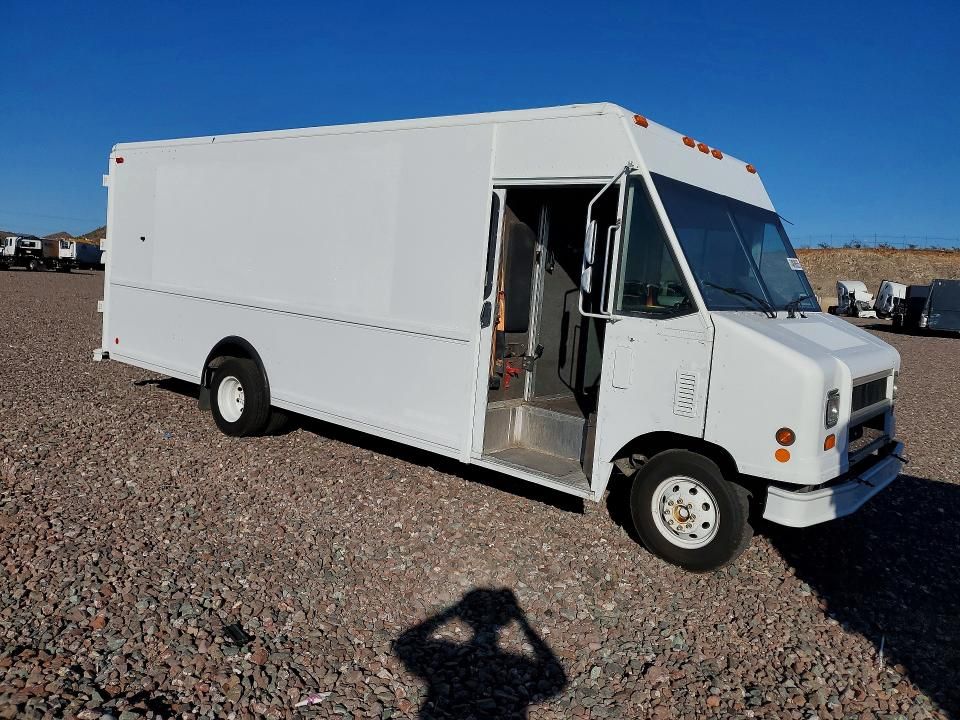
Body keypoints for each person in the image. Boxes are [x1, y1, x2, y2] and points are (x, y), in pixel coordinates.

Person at [394, 588, 567, 719]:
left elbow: (404, 644)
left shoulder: (446, 651)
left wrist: (453, 610)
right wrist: (523, 624)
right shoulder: (516, 662)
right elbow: (556, 680)